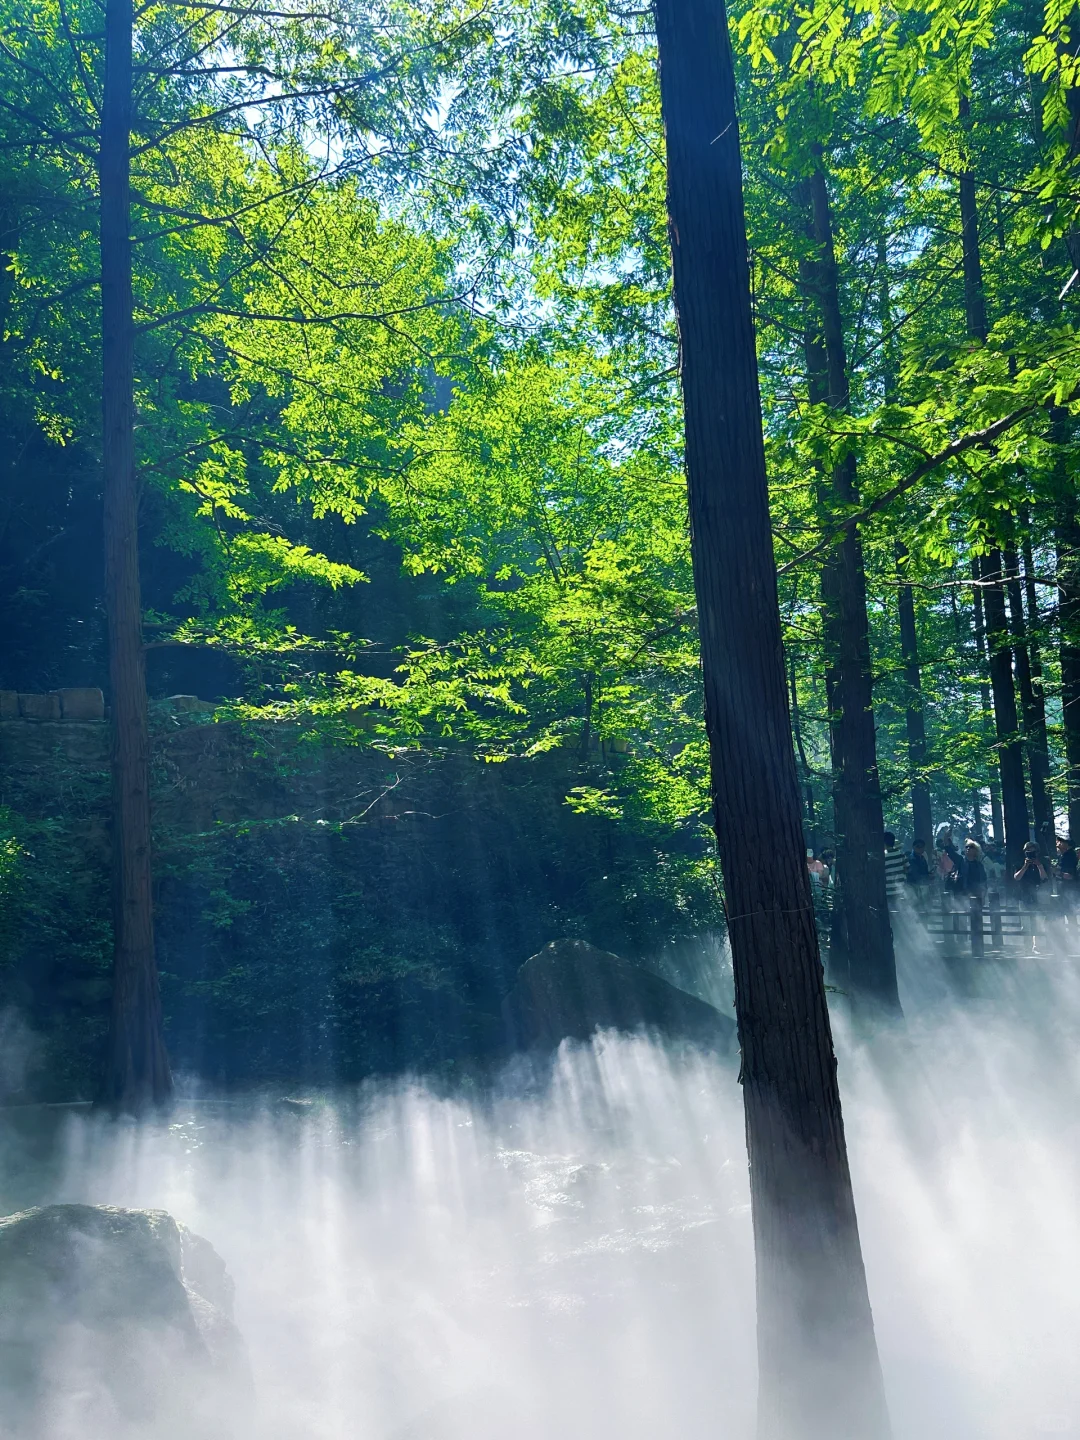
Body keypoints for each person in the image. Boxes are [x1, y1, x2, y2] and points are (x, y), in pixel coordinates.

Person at [883, 832, 907, 907]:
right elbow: (907, 868)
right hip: (900, 889)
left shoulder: (883, 856)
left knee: (891, 914)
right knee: (900, 912)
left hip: (888, 891)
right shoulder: (901, 854)